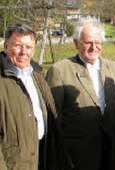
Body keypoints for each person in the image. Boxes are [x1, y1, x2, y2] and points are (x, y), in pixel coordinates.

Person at [45, 17, 115, 170]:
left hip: (112, 152)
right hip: (78, 154)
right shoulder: (60, 70)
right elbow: (52, 118)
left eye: (98, 42)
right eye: (88, 42)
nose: (94, 47)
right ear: (77, 43)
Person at [0, 23, 66, 170]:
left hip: (41, 156)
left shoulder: (36, 75)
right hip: (14, 163)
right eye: (18, 45)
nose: (24, 52)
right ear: (6, 47)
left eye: (28, 47)